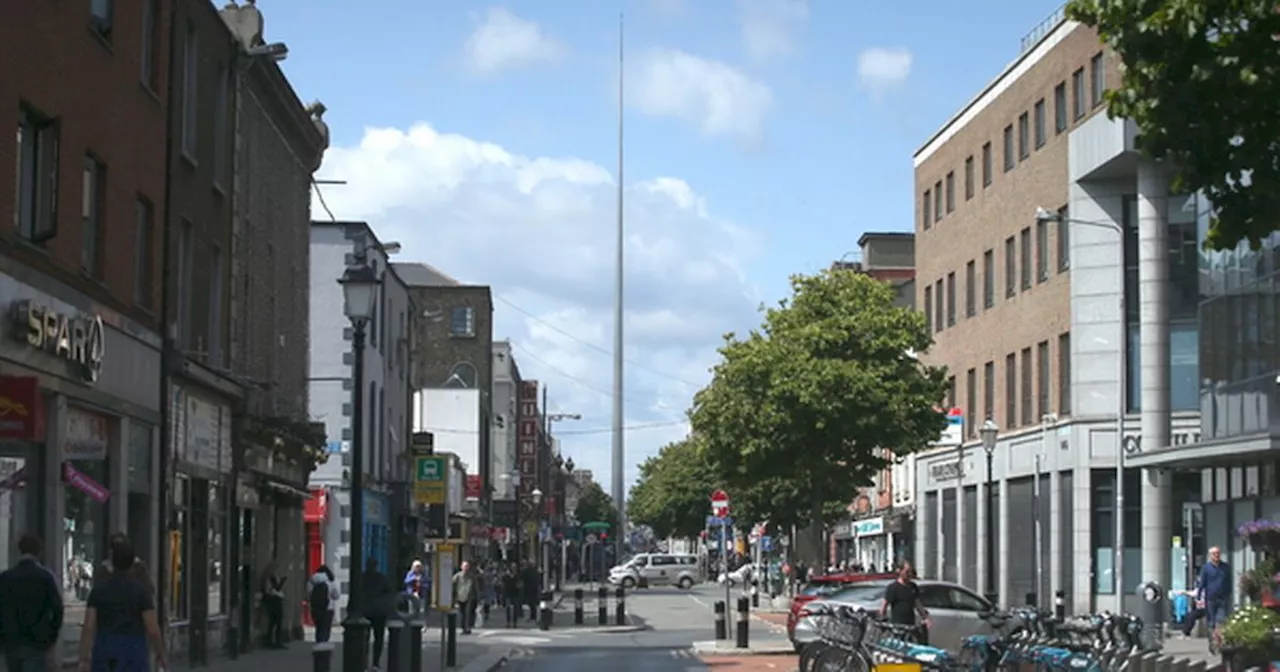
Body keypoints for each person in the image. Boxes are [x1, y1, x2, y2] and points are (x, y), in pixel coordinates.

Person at [77, 541, 167, 672]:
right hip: (133, 651)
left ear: (112, 562)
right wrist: (160, 653)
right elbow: (152, 627)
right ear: (132, 563)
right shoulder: (141, 592)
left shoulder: (98, 591)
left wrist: (84, 658)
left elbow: (89, 626)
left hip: (105, 648)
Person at [0, 534, 64, 672]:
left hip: (12, 641)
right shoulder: (45, 577)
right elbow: (57, 609)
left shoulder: (5, 578)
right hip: (37, 642)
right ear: (39, 552)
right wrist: (51, 636)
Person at [880, 563, 930, 644]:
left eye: (910, 572)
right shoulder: (893, 587)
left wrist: (925, 617)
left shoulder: (913, 587)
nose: (909, 574)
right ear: (900, 572)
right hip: (897, 625)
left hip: (910, 625)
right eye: (907, 572)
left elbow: (917, 603)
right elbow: (884, 605)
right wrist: (883, 620)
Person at [1196, 546, 1231, 653]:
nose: (1216, 555)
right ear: (1210, 555)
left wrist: (1228, 593)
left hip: (1222, 598)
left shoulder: (1225, 567)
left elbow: (1229, 581)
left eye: (1218, 553)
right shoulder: (1206, 568)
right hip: (1210, 598)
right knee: (1211, 622)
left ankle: (1219, 643)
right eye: (1214, 553)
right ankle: (1212, 642)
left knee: (1220, 621)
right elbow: (1202, 583)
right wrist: (1198, 597)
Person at [363, 557, 395, 671]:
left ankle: (364, 661)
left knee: (364, 638)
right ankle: (375, 663)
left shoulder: (361, 578)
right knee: (378, 638)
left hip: (365, 611)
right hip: (379, 612)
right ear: (376, 566)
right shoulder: (381, 578)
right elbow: (389, 591)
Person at [307, 565, 340, 643]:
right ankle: (323, 646)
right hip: (328, 609)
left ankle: (318, 644)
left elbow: (308, 595)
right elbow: (336, 596)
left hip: (315, 609)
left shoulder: (312, 580)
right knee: (325, 629)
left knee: (318, 628)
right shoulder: (331, 581)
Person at [260, 560, 287, 648]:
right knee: (274, 621)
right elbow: (271, 590)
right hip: (273, 600)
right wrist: (280, 585)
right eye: (275, 568)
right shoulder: (269, 578)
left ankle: (276, 640)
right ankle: (272, 641)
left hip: (276, 599)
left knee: (276, 622)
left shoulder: (274, 577)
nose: (276, 570)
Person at [452, 562, 477, 634]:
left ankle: (467, 627)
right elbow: (452, 585)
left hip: (469, 597)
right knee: (462, 613)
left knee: (467, 613)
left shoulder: (472, 576)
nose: (466, 568)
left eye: (467, 566)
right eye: (465, 566)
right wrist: (453, 597)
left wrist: (477, 597)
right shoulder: (457, 576)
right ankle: (464, 627)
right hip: (459, 597)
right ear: (461, 567)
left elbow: (475, 587)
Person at [500, 563, 521, 628]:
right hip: (508, 594)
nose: (514, 569)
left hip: (515, 593)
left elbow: (520, 584)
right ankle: (508, 622)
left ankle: (515, 623)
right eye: (513, 567)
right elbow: (502, 584)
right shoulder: (505, 576)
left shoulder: (517, 576)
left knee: (515, 609)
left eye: (515, 567)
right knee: (508, 608)